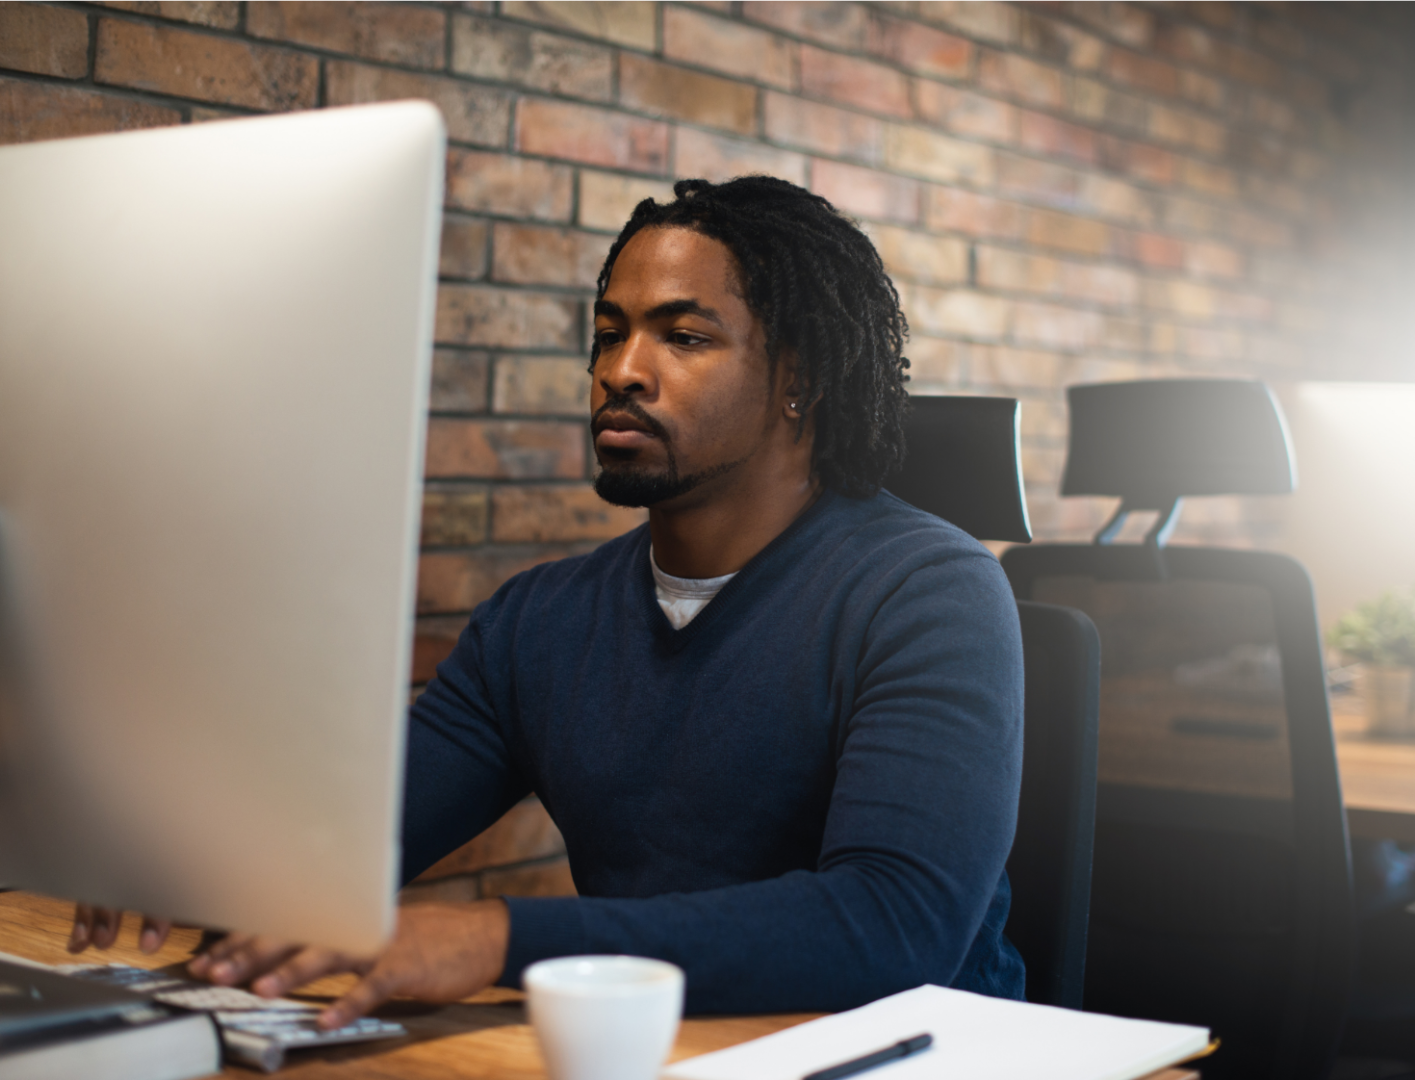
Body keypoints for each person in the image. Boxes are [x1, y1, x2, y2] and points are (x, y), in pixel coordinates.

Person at [70, 176, 1026, 1027]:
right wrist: (191, 856)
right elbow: (354, 844)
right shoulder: (540, 619)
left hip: (913, 1055)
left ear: (797, 382)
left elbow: (892, 925)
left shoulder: (928, 591)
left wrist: (494, 938)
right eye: (610, 333)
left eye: (684, 337)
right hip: (655, 1051)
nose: (622, 371)